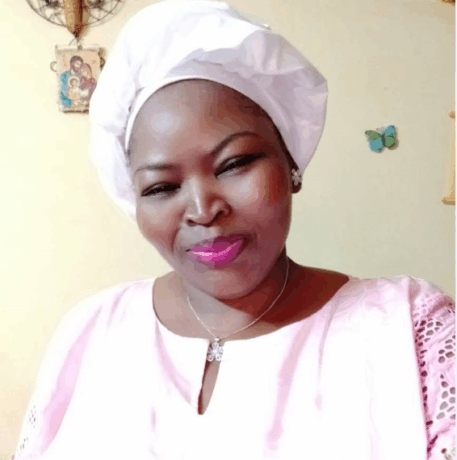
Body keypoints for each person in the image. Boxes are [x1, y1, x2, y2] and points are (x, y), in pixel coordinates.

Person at [14, 1, 455, 459]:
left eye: (235, 163)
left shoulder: (409, 331)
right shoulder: (92, 331)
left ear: (291, 164)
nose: (203, 210)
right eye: (161, 187)